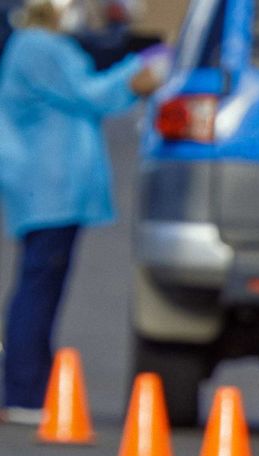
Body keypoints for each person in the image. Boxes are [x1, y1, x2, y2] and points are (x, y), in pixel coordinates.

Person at [0, 0, 160, 424]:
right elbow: (93, 94)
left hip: (50, 189)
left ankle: (29, 386)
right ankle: (24, 391)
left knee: (40, 286)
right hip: (49, 188)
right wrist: (139, 71)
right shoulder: (39, 47)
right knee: (37, 289)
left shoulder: (40, 46)